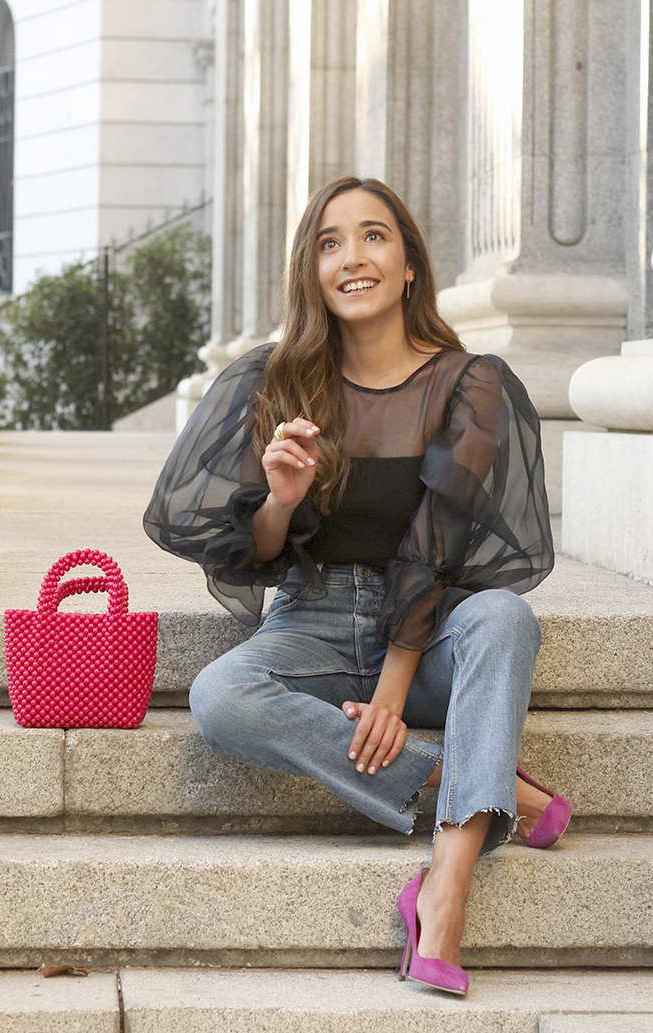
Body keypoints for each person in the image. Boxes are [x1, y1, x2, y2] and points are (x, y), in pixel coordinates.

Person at [144, 175, 567, 996]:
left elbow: (434, 548)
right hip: (318, 619)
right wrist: (282, 498)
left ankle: (442, 894)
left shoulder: (469, 384)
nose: (351, 257)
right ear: (312, 271)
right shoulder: (277, 380)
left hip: (432, 628)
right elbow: (255, 554)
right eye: (329, 242)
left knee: (505, 618)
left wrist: (392, 690)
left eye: (373, 236)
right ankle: (474, 773)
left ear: (409, 264)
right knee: (221, 696)